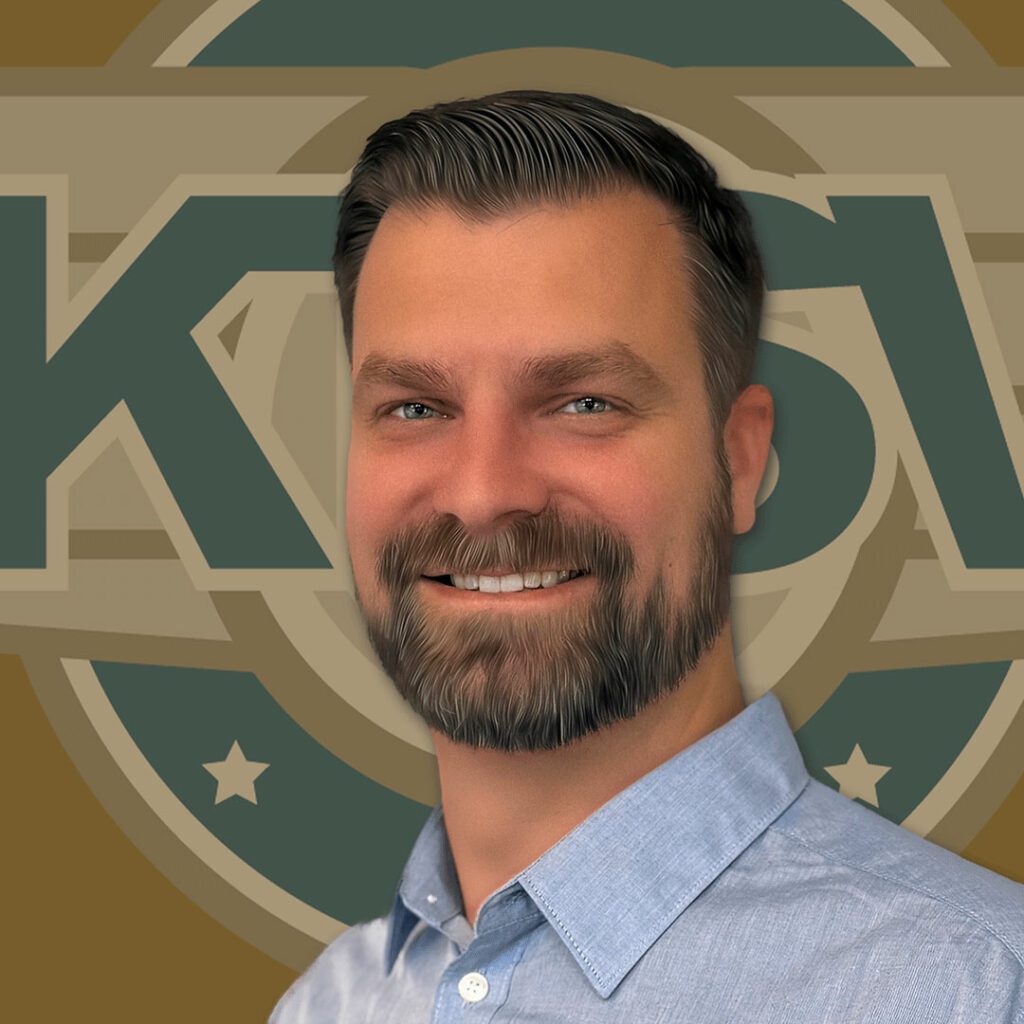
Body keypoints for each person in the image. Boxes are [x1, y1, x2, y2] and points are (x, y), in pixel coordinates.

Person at [270, 90, 1024, 1023]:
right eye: (415, 408)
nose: (482, 489)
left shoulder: (975, 988)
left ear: (739, 460)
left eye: (585, 402)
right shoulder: (331, 1003)